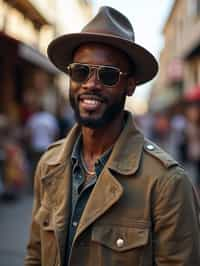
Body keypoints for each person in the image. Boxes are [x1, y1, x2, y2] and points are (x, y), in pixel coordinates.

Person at [25, 6, 200, 266]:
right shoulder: (49, 165)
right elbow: (35, 254)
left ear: (130, 86)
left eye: (108, 75)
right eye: (81, 71)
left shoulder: (167, 183)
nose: (91, 83)